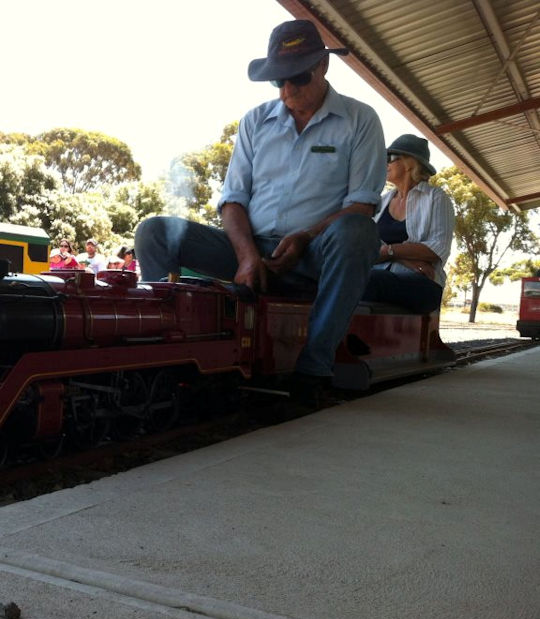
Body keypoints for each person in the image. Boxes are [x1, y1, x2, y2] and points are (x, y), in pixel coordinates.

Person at [134, 19, 386, 406]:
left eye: (296, 79)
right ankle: (161, 347)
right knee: (153, 231)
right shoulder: (255, 122)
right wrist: (247, 254)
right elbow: (233, 200)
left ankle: (313, 369)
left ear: (323, 66)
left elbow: (361, 205)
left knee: (358, 232)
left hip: (316, 255)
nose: (286, 91)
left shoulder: (359, 120)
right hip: (250, 250)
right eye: (277, 82)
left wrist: (305, 238)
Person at [361, 135, 454, 313]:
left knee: (365, 280)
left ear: (409, 163)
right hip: (384, 273)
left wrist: (387, 251)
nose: (384, 163)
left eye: (390, 158)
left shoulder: (435, 197)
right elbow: (369, 245)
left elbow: (437, 248)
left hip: (421, 282)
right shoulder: (382, 201)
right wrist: (402, 257)